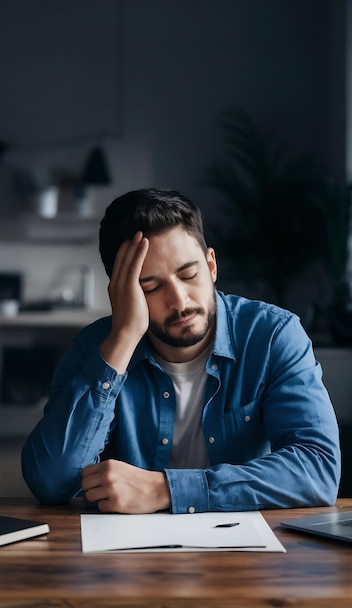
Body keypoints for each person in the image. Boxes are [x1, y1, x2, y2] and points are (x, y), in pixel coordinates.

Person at [21, 187, 341, 514]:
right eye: (152, 287)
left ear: (211, 265)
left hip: (246, 552)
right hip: (127, 555)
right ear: (122, 293)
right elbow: (50, 480)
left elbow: (318, 468)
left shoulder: (273, 335)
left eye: (189, 274)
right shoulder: (96, 347)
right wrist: (124, 338)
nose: (179, 300)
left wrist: (167, 489)